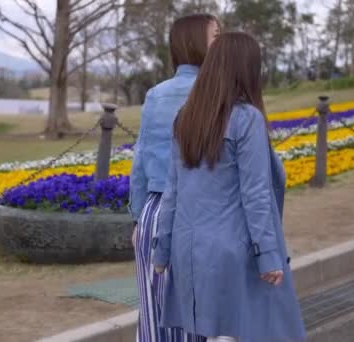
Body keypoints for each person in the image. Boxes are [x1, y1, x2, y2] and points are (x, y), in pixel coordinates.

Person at [152, 32, 306, 342]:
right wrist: (268, 255)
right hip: (234, 249)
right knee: (244, 332)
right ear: (247, 70)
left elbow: (172, 191)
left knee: (213, 333)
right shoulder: (246, 119)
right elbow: (256, 194)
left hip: (188, 248)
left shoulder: (185, 119)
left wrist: (162, 251)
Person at [129, 13, 221, 342]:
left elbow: (139, 161)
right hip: (203, 217)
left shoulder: (156, 94)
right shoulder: (220, 94)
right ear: (197, 43)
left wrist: (138, 217)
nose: (221, 42)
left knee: (155, 318)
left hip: (153, 216)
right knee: (200, 321)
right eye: (215, 35)